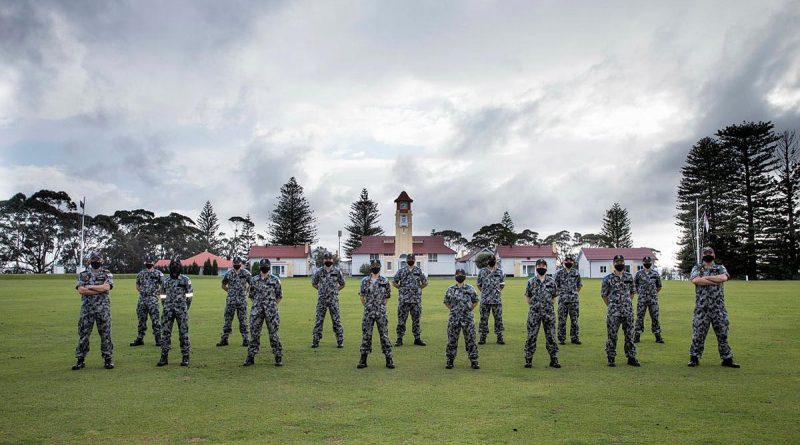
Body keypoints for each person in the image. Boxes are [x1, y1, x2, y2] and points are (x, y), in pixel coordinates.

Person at [688, 247, 740, 368]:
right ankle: (694, 357)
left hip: (718, 308)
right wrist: (714, 280)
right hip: (702, 308)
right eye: (705, 253)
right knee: (698, 334)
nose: (708, 255)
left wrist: (705, 279)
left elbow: (723, 278)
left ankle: (727, 359)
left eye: (710, 253)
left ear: (714, 255)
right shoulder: (697, 268)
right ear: (702, 256)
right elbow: (695, 280)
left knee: (723, 333)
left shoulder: (720, 268)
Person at [72, 251, 115, 370]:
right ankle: (80, 360)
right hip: (87, 310)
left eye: (98, 260)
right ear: (90, 261)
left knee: (105, 334)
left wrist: (89, 287)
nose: (96, 262)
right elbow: (81, 290)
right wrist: (99, 289)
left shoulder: (107, 274)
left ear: (102, 261)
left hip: (103, 310)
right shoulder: (83, 274)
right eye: (93, 260)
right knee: (83, 335)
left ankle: (108, 359)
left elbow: (106, 288)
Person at [600, 255, 640, 367]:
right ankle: (611, 358)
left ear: (624, 262)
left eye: (621, 261)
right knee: (612, 335)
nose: (619, 263)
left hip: (627, 311)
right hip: (613, 312)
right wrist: (612, 305)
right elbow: (604, 295)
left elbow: (632, 293)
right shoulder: (607, 279)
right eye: (617, 262)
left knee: (629, 335)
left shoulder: (629, 277)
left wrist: (626, 303)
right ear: (613, 263)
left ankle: (631, 357)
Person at [243, 259, 283, 367]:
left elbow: (279, 296)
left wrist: (272, 306)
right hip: (257, 312)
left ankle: (278, 357)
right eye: (262, 266)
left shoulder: (276, 280)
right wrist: (258, 305)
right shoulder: (253, 280)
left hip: (271, 312)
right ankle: (250, 357)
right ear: (260, 267)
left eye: (266, 265)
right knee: (254, 334)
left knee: (274, 334)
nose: (264, 267)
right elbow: (251, 295)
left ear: (269, 267)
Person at [357, 259, 394, 369]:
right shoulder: (365, 281)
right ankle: (363, 360)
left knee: (384, 335)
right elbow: (362, 297)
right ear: (370, 267)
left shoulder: (385, 281)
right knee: (366, 336)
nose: (375, 267)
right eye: (373, 265)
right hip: (368, 312)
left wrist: (381, 306)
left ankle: (389, 359)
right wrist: (368, 306)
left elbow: (387, 296)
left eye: (377, 265)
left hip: (381, 313)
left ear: (380, 267)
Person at [523, 259, 561, 368]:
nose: (541, 267)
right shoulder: (531, 281)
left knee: (551, 337)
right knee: (531, 336)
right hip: (534, 314)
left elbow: (554, 298)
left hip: (548, 314)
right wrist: (536, 305)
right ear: (536, 267)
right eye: (539, 265)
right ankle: (528, 360)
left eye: (543, 265)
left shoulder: (552, 282)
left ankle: (554, 359)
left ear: (546, 267)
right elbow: (528, 297)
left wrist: (546, 306)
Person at [157, 258, 193, 367]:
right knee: (166, 334)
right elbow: (162, 295)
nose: (175, 267)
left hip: (181, 310)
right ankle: (164, 357)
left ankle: (185, 357)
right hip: (167, 311)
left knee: (183, 334)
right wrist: (166, 306)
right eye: (173, 265)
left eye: (177, 265)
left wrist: (185, 307)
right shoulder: (165, 281)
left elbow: (190, 296)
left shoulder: (185, 280)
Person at [443, 269, 480, 369]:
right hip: (454, 319)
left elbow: (476, 301)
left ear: (465, 276)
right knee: (452, 340)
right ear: (455, 276)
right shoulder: (450, 289)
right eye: (458, 274)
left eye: (462, 274)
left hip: (467, 319)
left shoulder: (470, 288)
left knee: (471, 340)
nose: (460, 276)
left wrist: (469, 309)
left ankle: (474, 361)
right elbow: (446, 301)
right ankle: (450, 360)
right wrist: (453, 309)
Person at [310, 252, 346, 348]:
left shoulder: (337, 271)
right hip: (322, 299)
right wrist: (321, 289)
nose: (328, 261)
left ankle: (340, 341)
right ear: (324, 260)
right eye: (326, 259)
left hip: (333, 300)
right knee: (319, 321)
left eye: (329, 259)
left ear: (332, 260)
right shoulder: (319, 271)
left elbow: (342, 284)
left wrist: (335, 290)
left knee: (336, 321)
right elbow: (314, 283)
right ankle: (315, 341)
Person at [392, 253, 429, 346]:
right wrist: (401, 288)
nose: (411, 260)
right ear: (406, 260)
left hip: (416, 300)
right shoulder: (401, 271)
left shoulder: (418, 271)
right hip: (404, 300)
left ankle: (417, 338)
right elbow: (394, 282)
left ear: (414, 260)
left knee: (416, 320)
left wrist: (418, 288)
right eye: (409, 259)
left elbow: (425, 282)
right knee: (401, 320)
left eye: (412, 259)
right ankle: (399, 339)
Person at [217, 257, 252, 347]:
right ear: (233, 264)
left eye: (238, 263)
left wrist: (247, 292)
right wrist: (230, 291)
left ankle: (246, 340)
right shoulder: (228, 273)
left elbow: (252, 284)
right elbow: (223, 285)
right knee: (228, 320)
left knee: (243, 320)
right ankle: (224, 339)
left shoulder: (246, 273)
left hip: (242, 301)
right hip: (231, 301)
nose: (237, 264)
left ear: (241, 263)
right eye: (235, 263)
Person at [130, 257, 163, 347]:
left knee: (155, 320)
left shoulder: (158, 273)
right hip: (142, 300)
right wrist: (142, 291)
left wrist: (156, 292)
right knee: (141, 320)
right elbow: (137, 285)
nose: (148, 264)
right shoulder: (141, 273)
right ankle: (140, 339)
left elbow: (163, 285)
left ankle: (158, 339)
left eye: (150, 262)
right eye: (147, 262)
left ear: (153, 263)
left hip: (153, 300)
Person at [553, 254, 582, 345]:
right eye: (567, 261)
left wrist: (573, 293)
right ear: (564, 262)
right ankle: (561, 338)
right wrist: (563, 293)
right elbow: (555, 286)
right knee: (562, 320)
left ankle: (574, 338)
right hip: (563, 300)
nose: (568, 262)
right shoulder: (558, 273)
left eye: (570, 261)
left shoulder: (576, 273)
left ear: (573, 262)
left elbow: (579, 286)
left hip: (574, 301)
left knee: (575, 321)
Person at [476, 254, 505, 345]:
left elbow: (502, 284)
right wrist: (485, 292)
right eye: (490, 260)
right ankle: (482, 337)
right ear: (487, 261)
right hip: (485, 300)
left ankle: (499, 337)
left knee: (498, 319)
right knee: (483, 319)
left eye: (493, 260)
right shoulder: (482, 272)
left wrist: (496, 292)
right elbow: (478, 284)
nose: (492, 261)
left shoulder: (500, 272)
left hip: (496, 300)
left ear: (495, 261)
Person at [634, 256, 663, 343]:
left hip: (653, 300)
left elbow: (659, 286)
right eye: (645, 261)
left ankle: (658, 336)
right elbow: (634, 285)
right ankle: (637, 336)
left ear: (651, 262)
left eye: (649, 261)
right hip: (642, 300)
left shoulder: (655, 273)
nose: (647, 263)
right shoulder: (638, 274)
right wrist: (640, 292)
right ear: (643, 263)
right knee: (639, 317)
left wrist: (653, 293)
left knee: (655, 317)